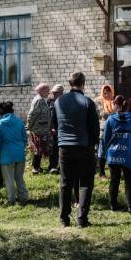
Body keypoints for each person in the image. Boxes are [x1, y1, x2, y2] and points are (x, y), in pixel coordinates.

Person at [55, 72, 100, 228]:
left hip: (64, 147)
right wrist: (93, 144)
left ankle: (64, 219)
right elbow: (95, 128)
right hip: (83, 146)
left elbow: (54, 125)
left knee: (66, 182)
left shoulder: (59, 101)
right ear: (83, 84)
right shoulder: (87, 102)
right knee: (86, 182)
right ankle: (81, 219)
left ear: (70, 84)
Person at [100, 95, 131, 214]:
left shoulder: (110, 119)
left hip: (113, 155)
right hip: (129, 155)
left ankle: (113, 204)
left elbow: (105, 138)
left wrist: (105, 153)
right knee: (130, 181)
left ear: (116, 105)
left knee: (114, 180)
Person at [0, 101, 29, 205]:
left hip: (6, 156)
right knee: (19, 178)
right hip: (20, 155)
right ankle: (24, 197)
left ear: (0, 112)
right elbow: (25, 138)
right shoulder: (19, 121)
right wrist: (21, 148)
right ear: (12, 110)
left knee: (9, 180)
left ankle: (11, 200)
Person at [27, 83, 52, 174]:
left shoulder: (43, 99)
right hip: (38, 129)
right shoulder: (39, 100)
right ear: (42, 91)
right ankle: (35, 168)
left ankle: (37, 167)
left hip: (42, 128)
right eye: (47, 90)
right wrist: (29, 127)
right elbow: (32, 114)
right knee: (38, 149)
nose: (49, 92)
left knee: (40, 148)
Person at [95, 84, 115, 178]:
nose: (106, 95)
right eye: (105, 93)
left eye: (108, 93)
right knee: (102, 151)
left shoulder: (114, 102)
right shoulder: (98, 102)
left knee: (113, 151)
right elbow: (98, 115)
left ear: (112, 92)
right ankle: (102, 173)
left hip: (114, 130)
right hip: (103, 129)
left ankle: (113, 172)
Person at [48, 84, 64, 174]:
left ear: (61, 93)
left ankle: (60, 166)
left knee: (61, 148)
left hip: (61, 128)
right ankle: (52, 166)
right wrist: (52, 127)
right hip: (53, 128)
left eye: (56, 93)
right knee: (53, 148)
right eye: (53, 93)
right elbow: (49, 116)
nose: (53, 95)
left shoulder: (64, 101)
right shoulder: (50, 101)